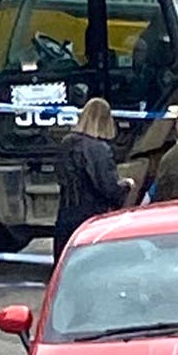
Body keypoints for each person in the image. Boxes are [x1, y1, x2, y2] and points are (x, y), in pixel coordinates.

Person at [53, 98, 134, 262]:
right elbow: (108, 187)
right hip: (92, 217)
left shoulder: (65, 144)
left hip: (66, 214)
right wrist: (126, 185)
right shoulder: (99, 149)